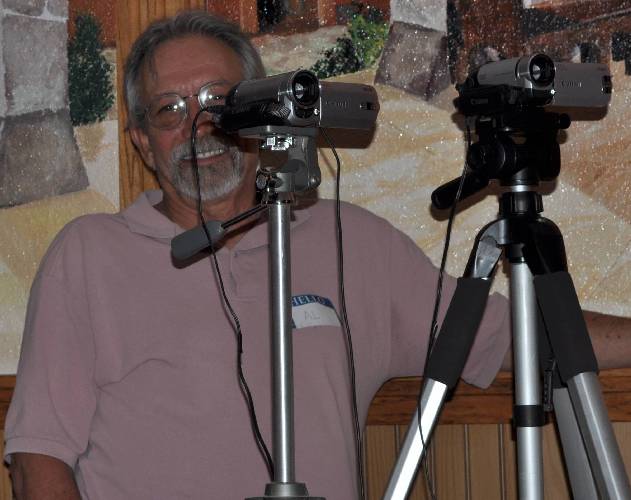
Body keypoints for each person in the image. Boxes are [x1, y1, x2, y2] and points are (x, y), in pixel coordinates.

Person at [4, 10, 630, 500]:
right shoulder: (87, 255)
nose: (198, 127)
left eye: (219, 101)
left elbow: (512, 335)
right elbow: (39, 460)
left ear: (260, 112)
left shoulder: (351, 242)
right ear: (143, 142)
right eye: (171, 110)